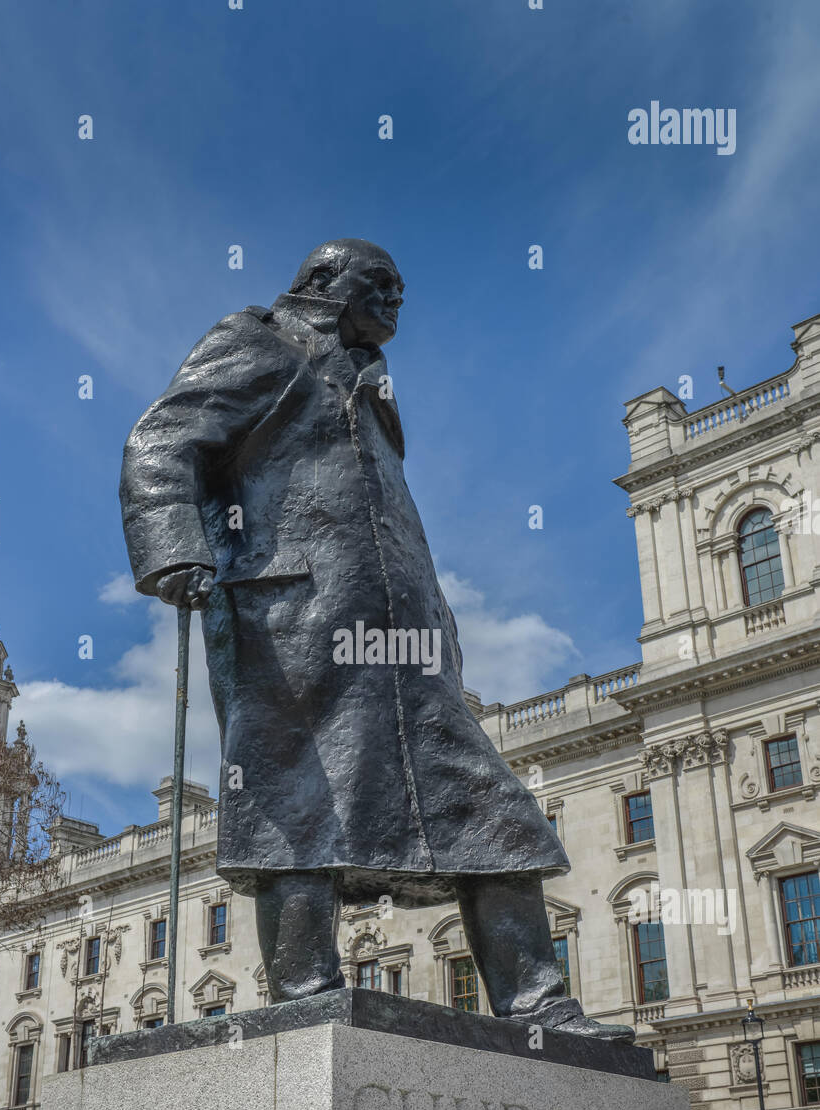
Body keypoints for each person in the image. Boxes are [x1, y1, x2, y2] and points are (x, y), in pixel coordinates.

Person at [120, 238, 634, 1042]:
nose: (397, 300)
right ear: (323, 281)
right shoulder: (256, 340)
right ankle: (306, 992)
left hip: (405, 643)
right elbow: (161, 441)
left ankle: (539, 1005)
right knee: (296, 796)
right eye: (381, 284)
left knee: (490, 806)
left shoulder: (371, 382)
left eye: (402, 289)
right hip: (291, 619)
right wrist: (175, 546)